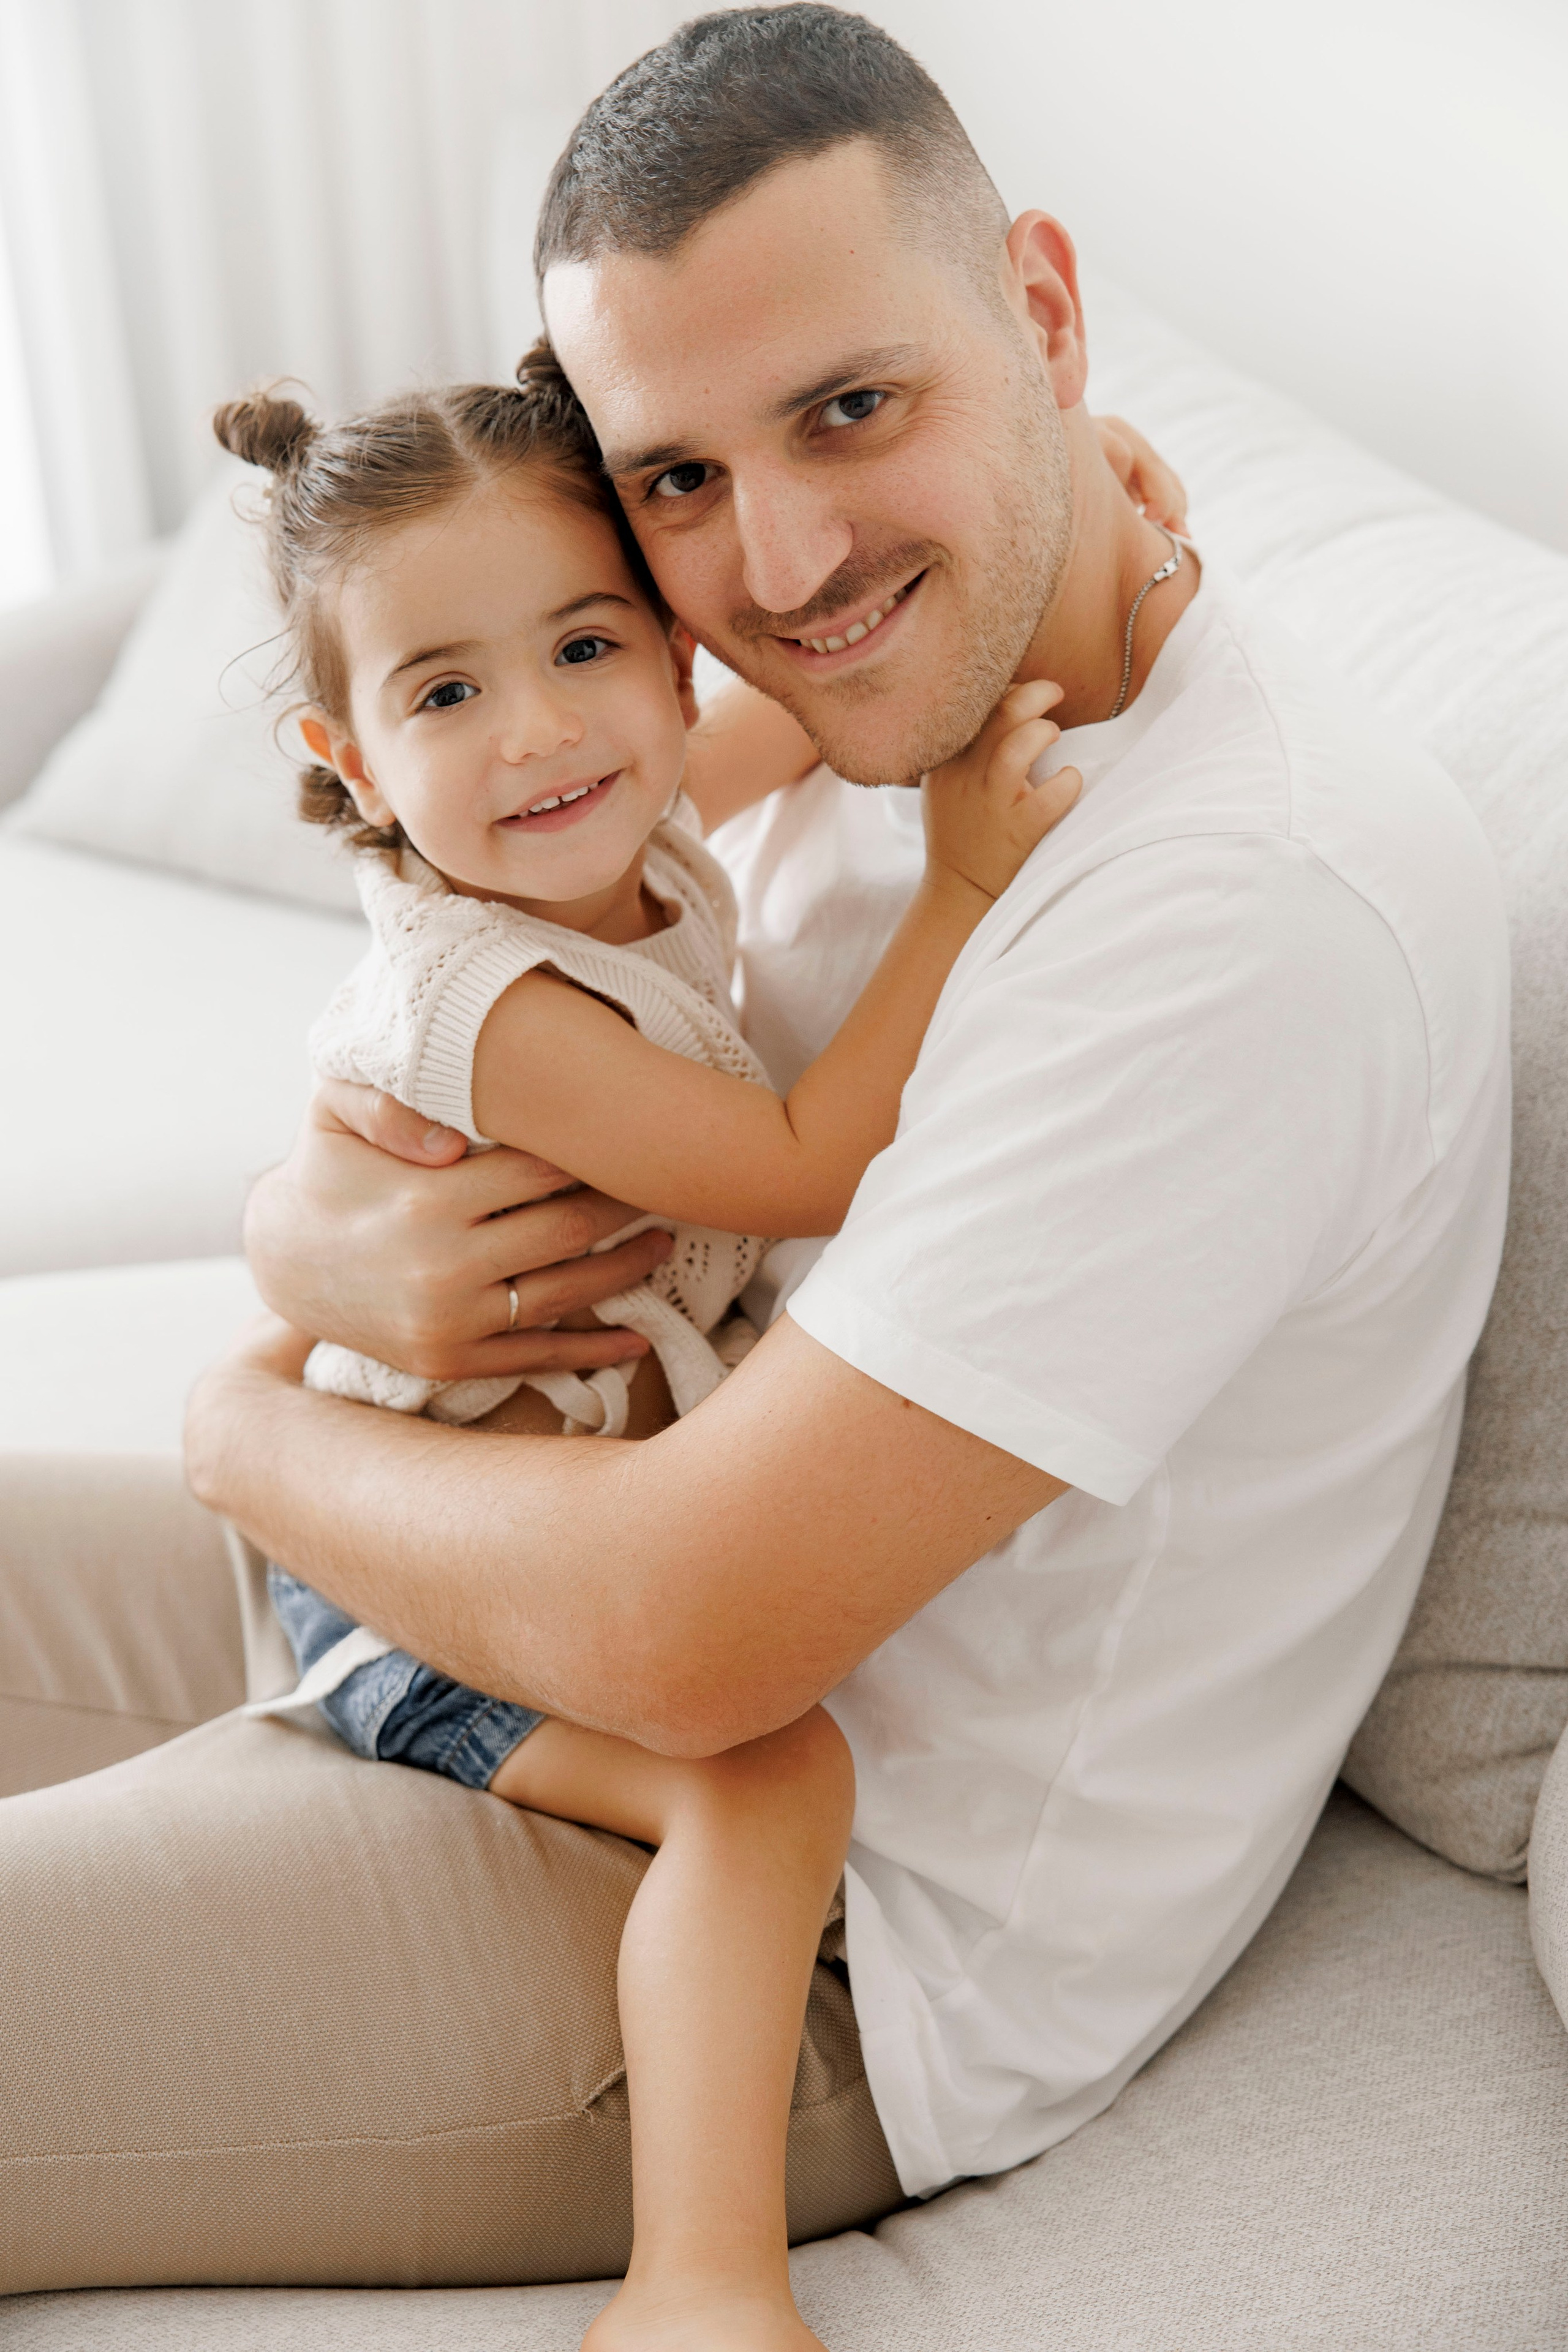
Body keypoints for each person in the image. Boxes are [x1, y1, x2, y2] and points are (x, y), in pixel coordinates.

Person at [0, 1, 1509, 2309]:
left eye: (851, 407)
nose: (782, 558)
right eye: (679, 480)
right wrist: (307, 1229)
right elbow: (499, 906)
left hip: (797, 1925)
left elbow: (690, 1634)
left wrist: (241, 1411)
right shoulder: (866, 684)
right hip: (525, 1589)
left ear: (1040, 308)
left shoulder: (1237, 911)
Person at [208, 356, 1076, 2351]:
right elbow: (786, 1167)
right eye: (445, 694)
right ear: (348, 758)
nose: (534, 736)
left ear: (672, 661)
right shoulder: (489, 991)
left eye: (584, 644)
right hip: (406, 1595)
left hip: (519, 1505)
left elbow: (815, 705)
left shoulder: (635, 826)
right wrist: (961, 882)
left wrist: (1041, 537)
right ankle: (698, 2285)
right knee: (772, 1787)